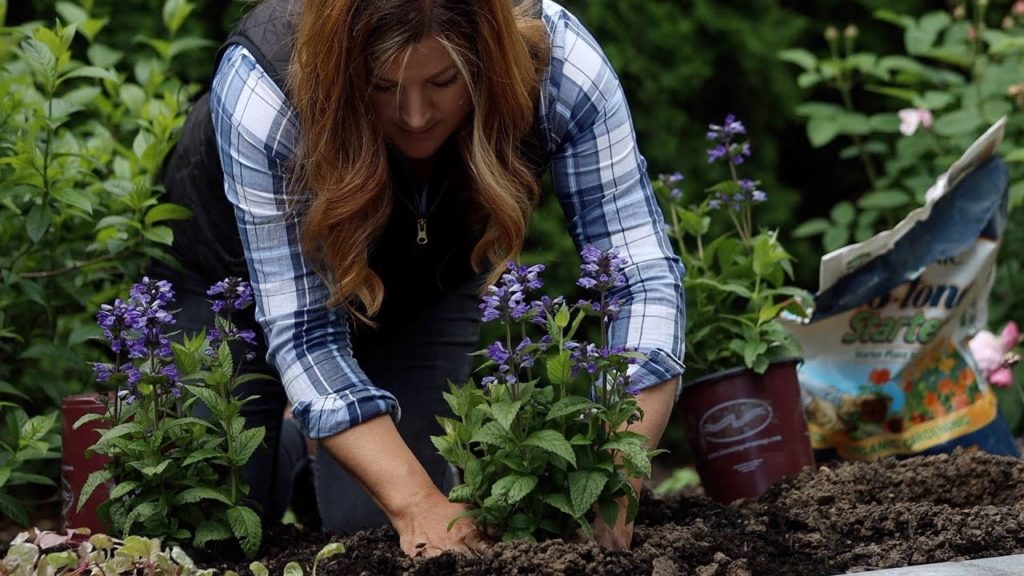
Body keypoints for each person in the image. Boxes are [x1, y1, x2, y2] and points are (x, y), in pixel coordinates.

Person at [159, 0, 685, 558]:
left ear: (488, 61)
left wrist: (616, 474)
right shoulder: (269, 85)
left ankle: (315, 444)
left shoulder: (556, 61)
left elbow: (641, 275)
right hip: (228, 284)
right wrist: (415, 503)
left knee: (372, 534)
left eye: (443, 81)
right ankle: (294, 442)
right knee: (214, 527)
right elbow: (305, 333)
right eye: (383, 87)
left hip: (421, 278)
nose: (414, 116)